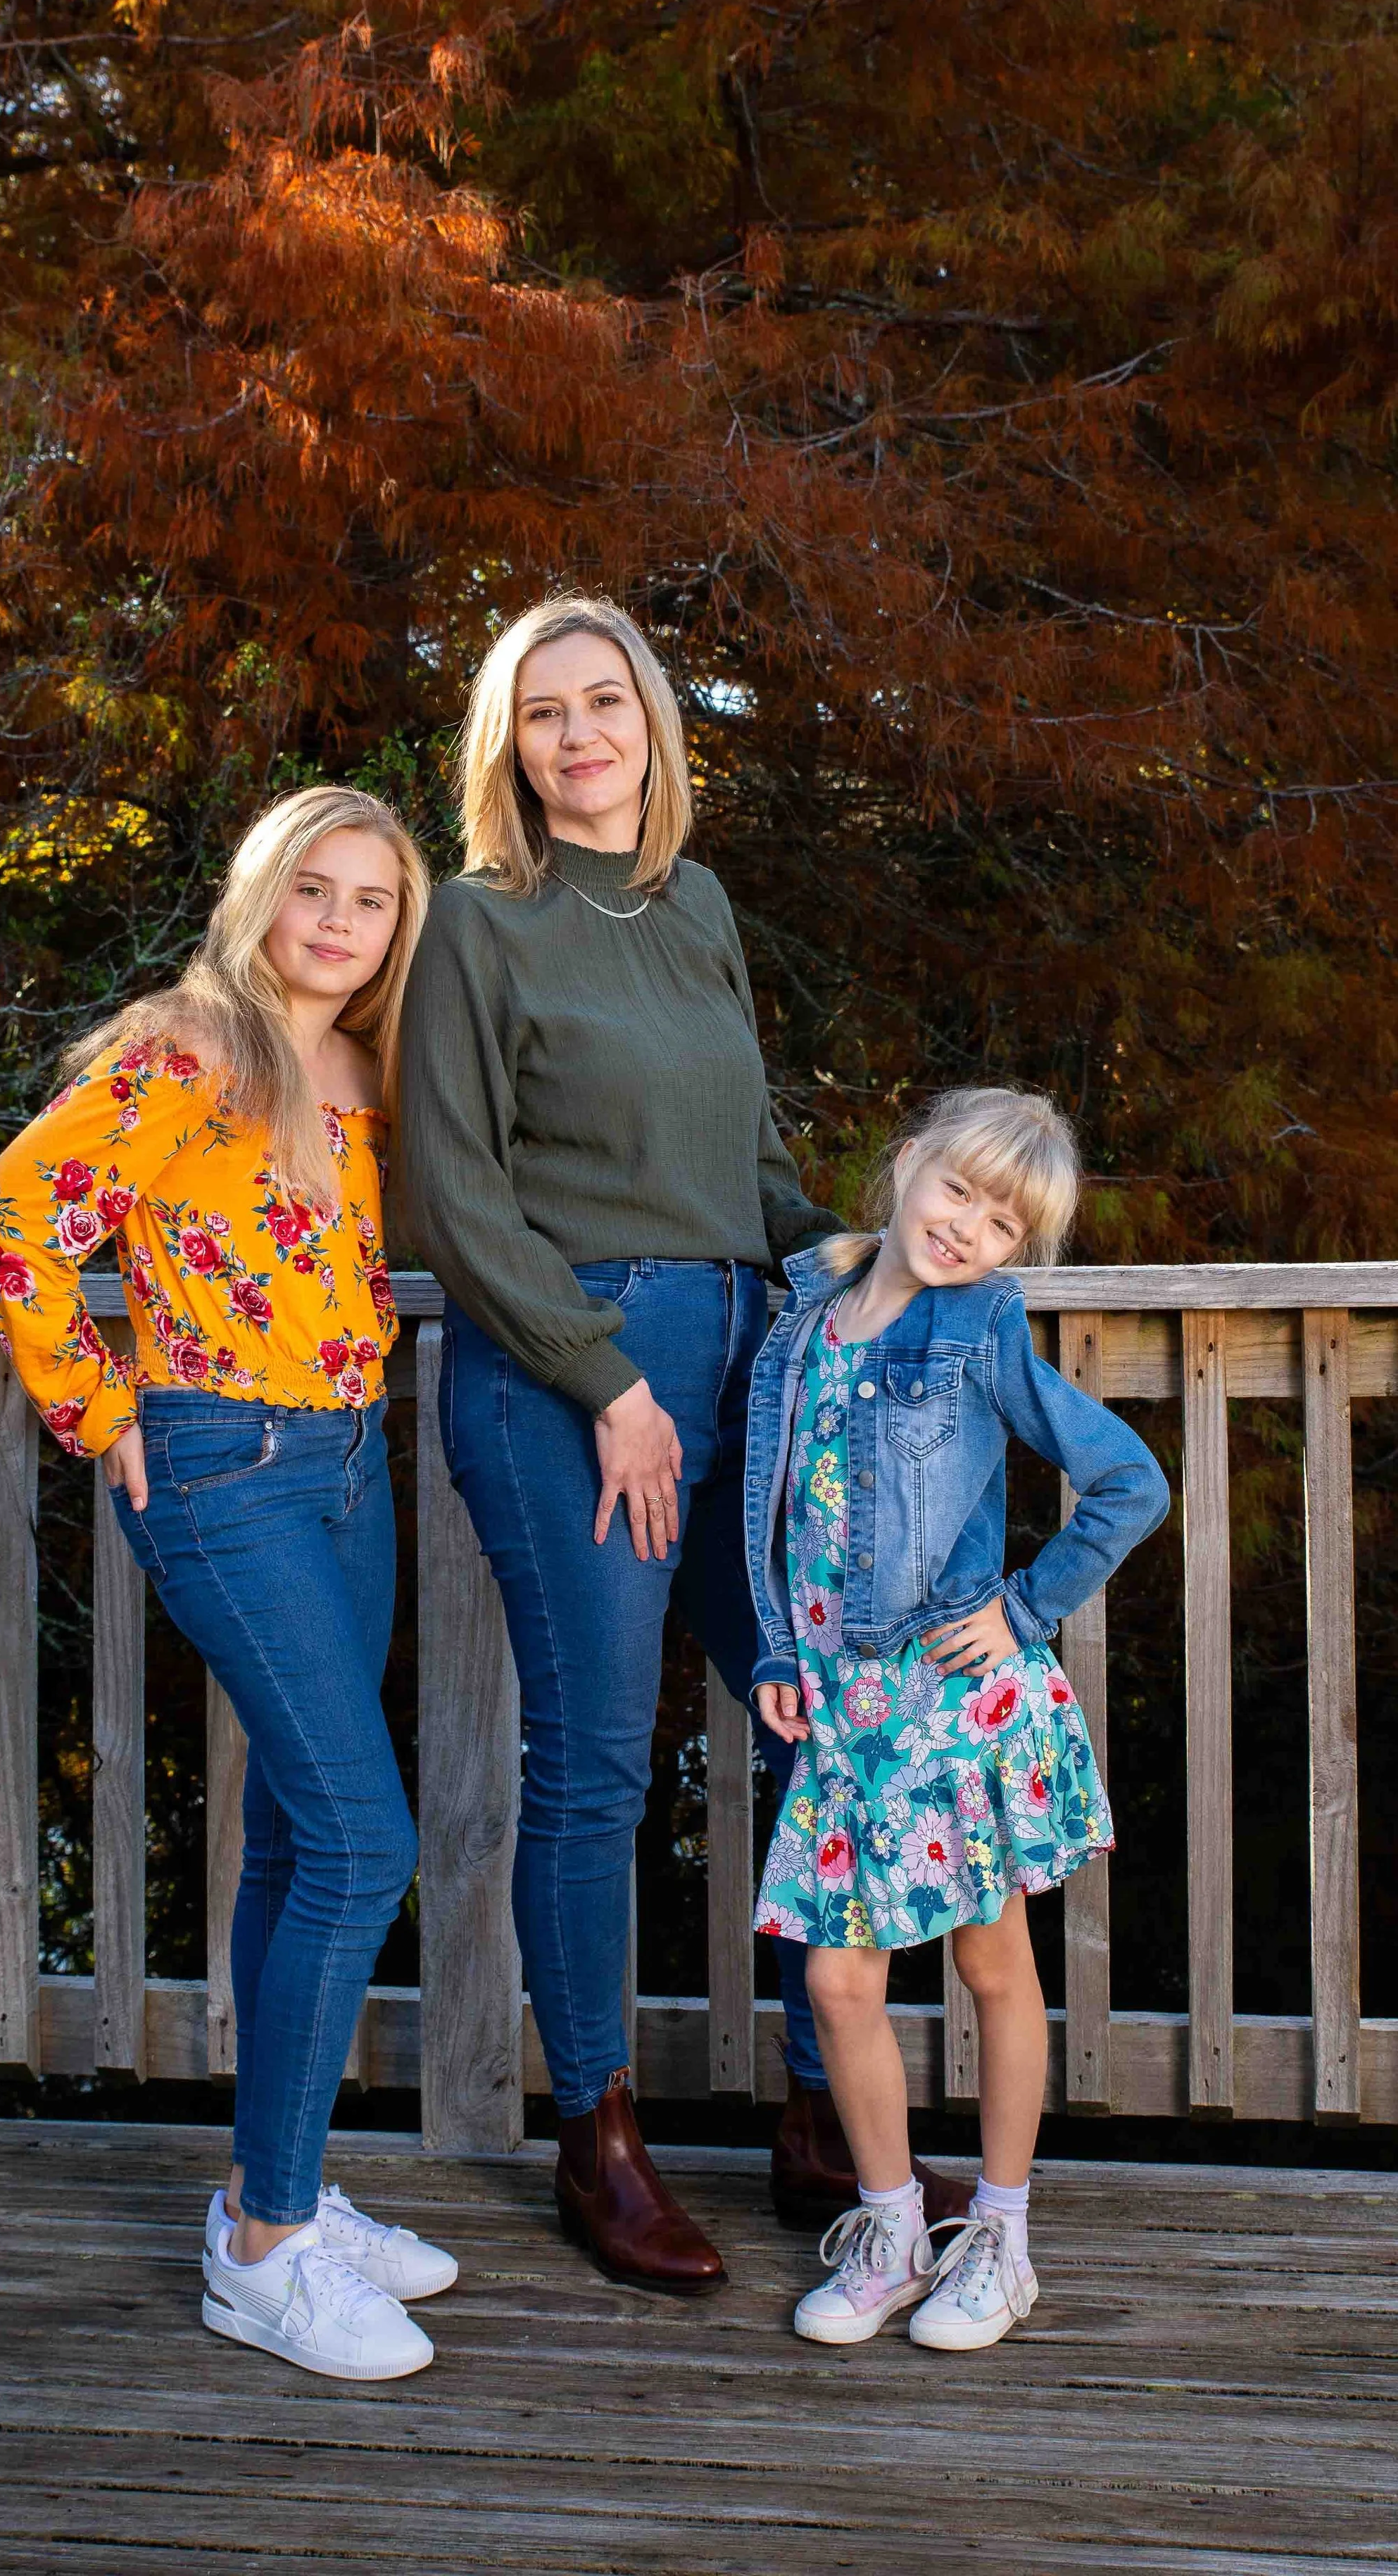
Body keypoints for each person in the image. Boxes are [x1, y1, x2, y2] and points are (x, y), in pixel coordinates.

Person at [397, 593, 966, 2297]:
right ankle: (600, 2141)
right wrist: (601, 1378)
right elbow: (449, 1195)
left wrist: (869, 1254)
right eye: (542, 713)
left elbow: (746, 1171)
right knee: (592, 1769)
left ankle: (813, 2116)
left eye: (605, 705)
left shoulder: (694, 904)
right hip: (569, 1370)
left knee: (816, 1717)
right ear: (508, 746)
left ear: (651, 722)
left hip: (736, 1349)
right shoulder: (474, 926)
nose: (578, 738)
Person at [0, 784, 459, 2383]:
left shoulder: (364, 1069)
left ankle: (277, 2185)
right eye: (310, 887)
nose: (336, 919)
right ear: (259, 895)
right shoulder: (192, 1050)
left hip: (349, 1460)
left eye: (370, 899)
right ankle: (262, 2258)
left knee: (308, 1834)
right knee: (367, 1836)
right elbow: (11, 1215)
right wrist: (99, 1408)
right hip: (223, 1468)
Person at [748, 1087, 1169, 2350]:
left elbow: (1128, 1481)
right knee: (836, 1982)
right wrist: (776, 1640)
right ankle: (890, 2229)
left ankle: (999, 2236)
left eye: (1003, 1222)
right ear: (908, 1163)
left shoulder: (980, 1331)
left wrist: (1027, 1606)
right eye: (958, 1191)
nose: (968, 1228)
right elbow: (767, 1499)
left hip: (954, 1700)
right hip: (839, 1707)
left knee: (992, 1963)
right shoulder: (802, 1316)